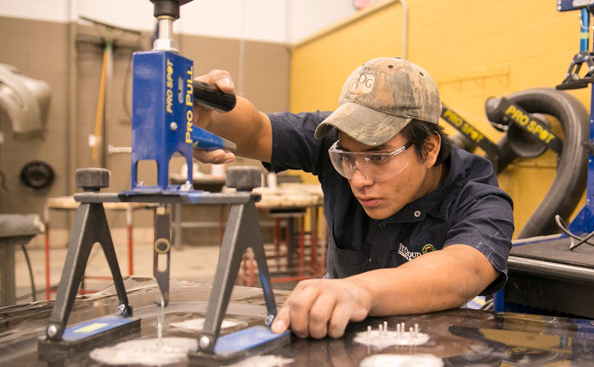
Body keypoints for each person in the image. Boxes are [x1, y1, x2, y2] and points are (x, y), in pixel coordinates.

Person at [195, 57, 514, 339]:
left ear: (429, 149)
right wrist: (208, 115)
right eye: (347, 157)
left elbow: (467, 268)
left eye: (379, 158)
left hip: (430, 338)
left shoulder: (477, 194)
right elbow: (257, 131)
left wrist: (360, 290)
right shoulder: (336, 139)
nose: (359, 179)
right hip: (337, 326)